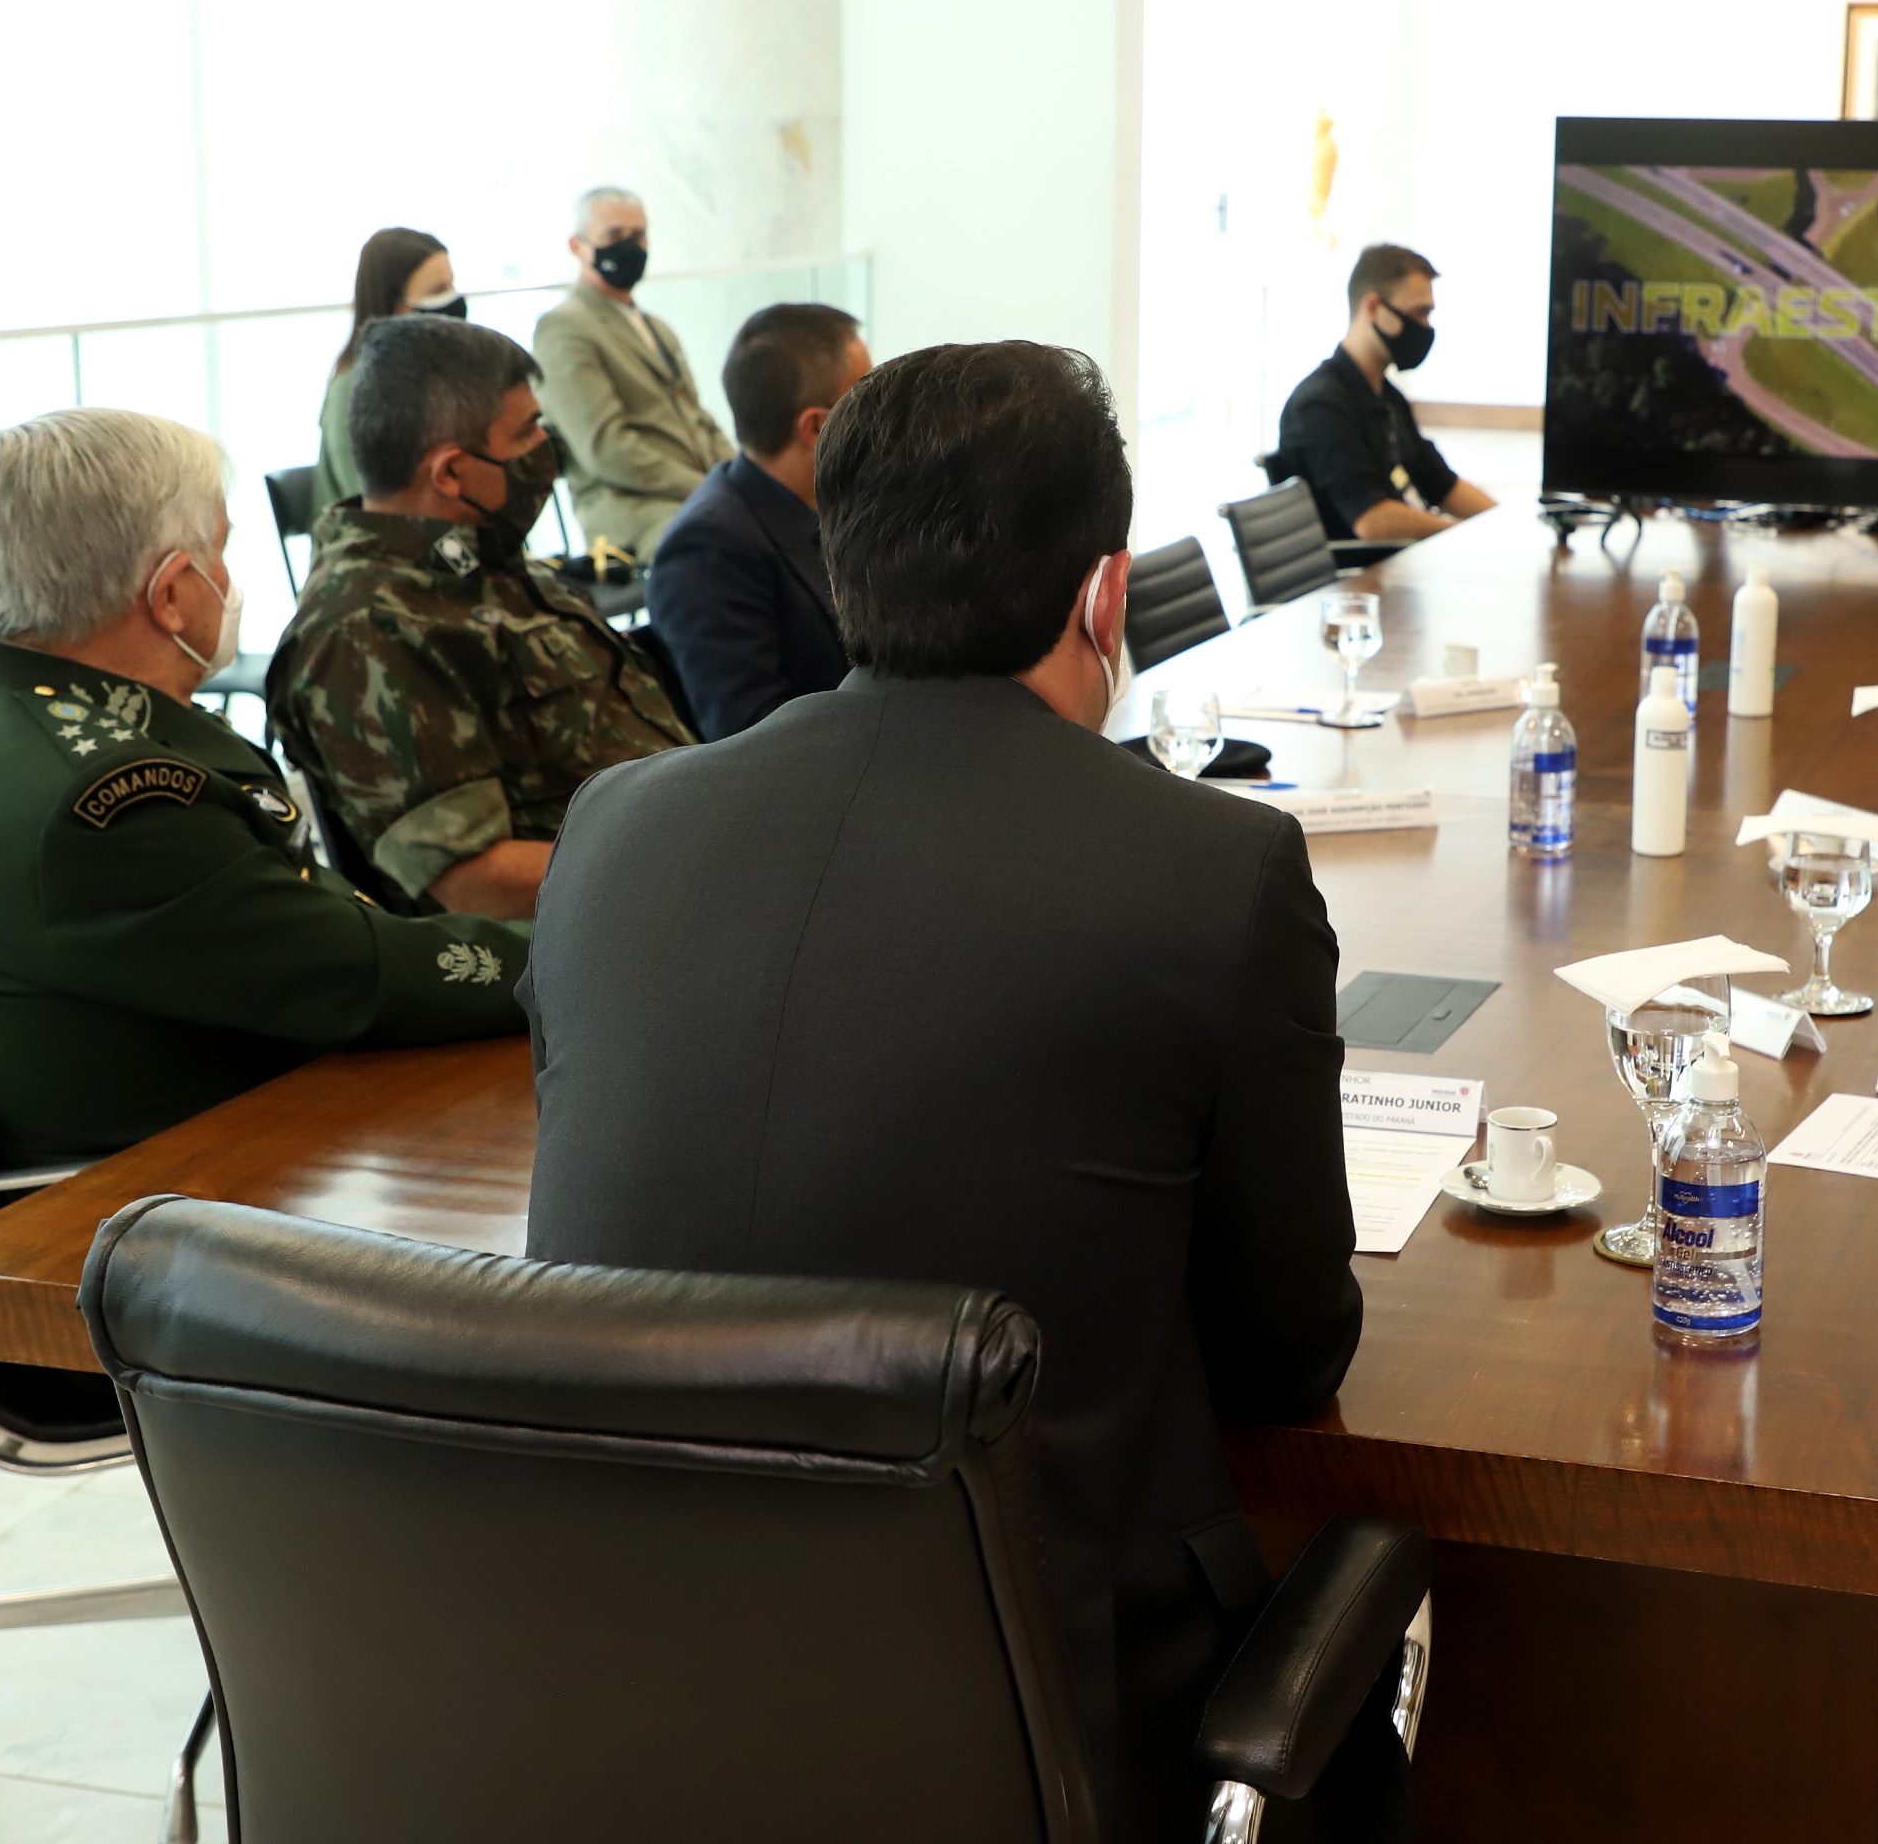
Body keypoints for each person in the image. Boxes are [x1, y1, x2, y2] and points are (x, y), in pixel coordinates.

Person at [518, 341, 1367, 1837]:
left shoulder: (615, 830)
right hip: (1054, 1708)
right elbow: (1288, 1360)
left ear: (840, 563)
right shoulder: (1213, 871)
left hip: (632, 1678)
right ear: (1105, 594)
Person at [0, 407, 532, 1173]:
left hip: (225, 1127)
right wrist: (593, 951)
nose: (228, 582)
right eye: (220, 552)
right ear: (170, 595)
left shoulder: (5, 708)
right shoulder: (110, 803)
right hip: (182, 1199)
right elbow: (362, 977)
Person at [268, 316, 691, 920]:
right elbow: (475, 881)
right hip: (607, 939)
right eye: (527, 433)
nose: (547, 449)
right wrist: (696, 853)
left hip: (674, 883)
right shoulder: (367, 627)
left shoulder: (481, 559)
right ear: (449, 472)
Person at [643, 302, 872, 738]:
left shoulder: (838, 502)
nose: (883, 416)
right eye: (865, 398)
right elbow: (750, 735)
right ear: (815, 428)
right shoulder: (708, 549)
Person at [531, 185, 737, 558]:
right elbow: (606, 448)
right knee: (735, 546)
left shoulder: (656, 327)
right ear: (577, 246)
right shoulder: (563, 329)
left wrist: (741, 475)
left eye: (638, 235)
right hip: (635, 509)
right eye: (614, 235)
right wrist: (713, 488)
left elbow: (697, 417)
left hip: (701, 494)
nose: (630, 246)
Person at [1270, 242, 1497, 543]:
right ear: (1373, 308)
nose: (1425, 327)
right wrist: (1462, 536)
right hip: (1358, 580)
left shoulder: (1387, 397)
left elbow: (1443, 485)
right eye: (1418, 313)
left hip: (1400, 568)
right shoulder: (1320, 406)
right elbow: (1372, 520)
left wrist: (1504, 524)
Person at [312, 227, 461, 514]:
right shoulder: (353, 390)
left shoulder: (438, 375)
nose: (453, 301)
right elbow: (373, 505)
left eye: (452, 285)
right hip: (369, 551)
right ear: (396, 306)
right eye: (437, 291)